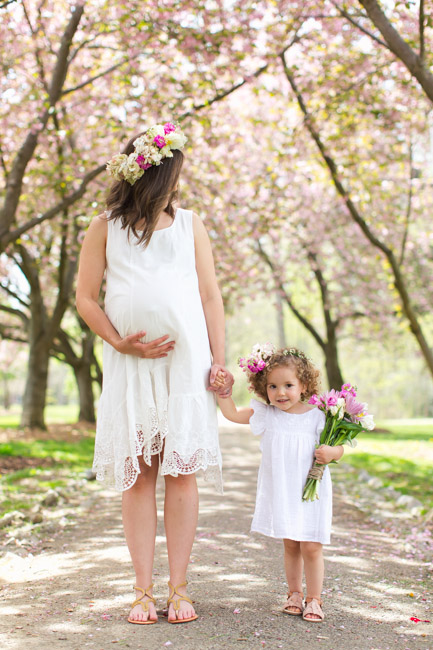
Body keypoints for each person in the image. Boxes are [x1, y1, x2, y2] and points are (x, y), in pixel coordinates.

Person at [76, 121, 233, 625]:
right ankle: (142, 590)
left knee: (182, 473)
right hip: (132, 366)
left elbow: (210, 296)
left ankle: (179, 587)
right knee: (140, 476)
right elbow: (85, 297)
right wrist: (120, 341)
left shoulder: (190, 225)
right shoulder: (105, 226)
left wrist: (220, 360)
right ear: (153, 176)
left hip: (186, 367)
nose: (178, 184)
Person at [215, 343, 343, 623]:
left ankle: (315, 599)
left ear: (304, 385)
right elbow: (232, 414)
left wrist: (331, 453)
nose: (280, 392)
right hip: (284, 490)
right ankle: (294, 594)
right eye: (272, 387)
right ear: (263, 388)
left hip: (312, 491)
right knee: (291, 544)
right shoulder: (266, 415)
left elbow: (339, 448)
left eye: (288, 385)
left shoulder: (319, 416)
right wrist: (222, 392)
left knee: (311, 544)